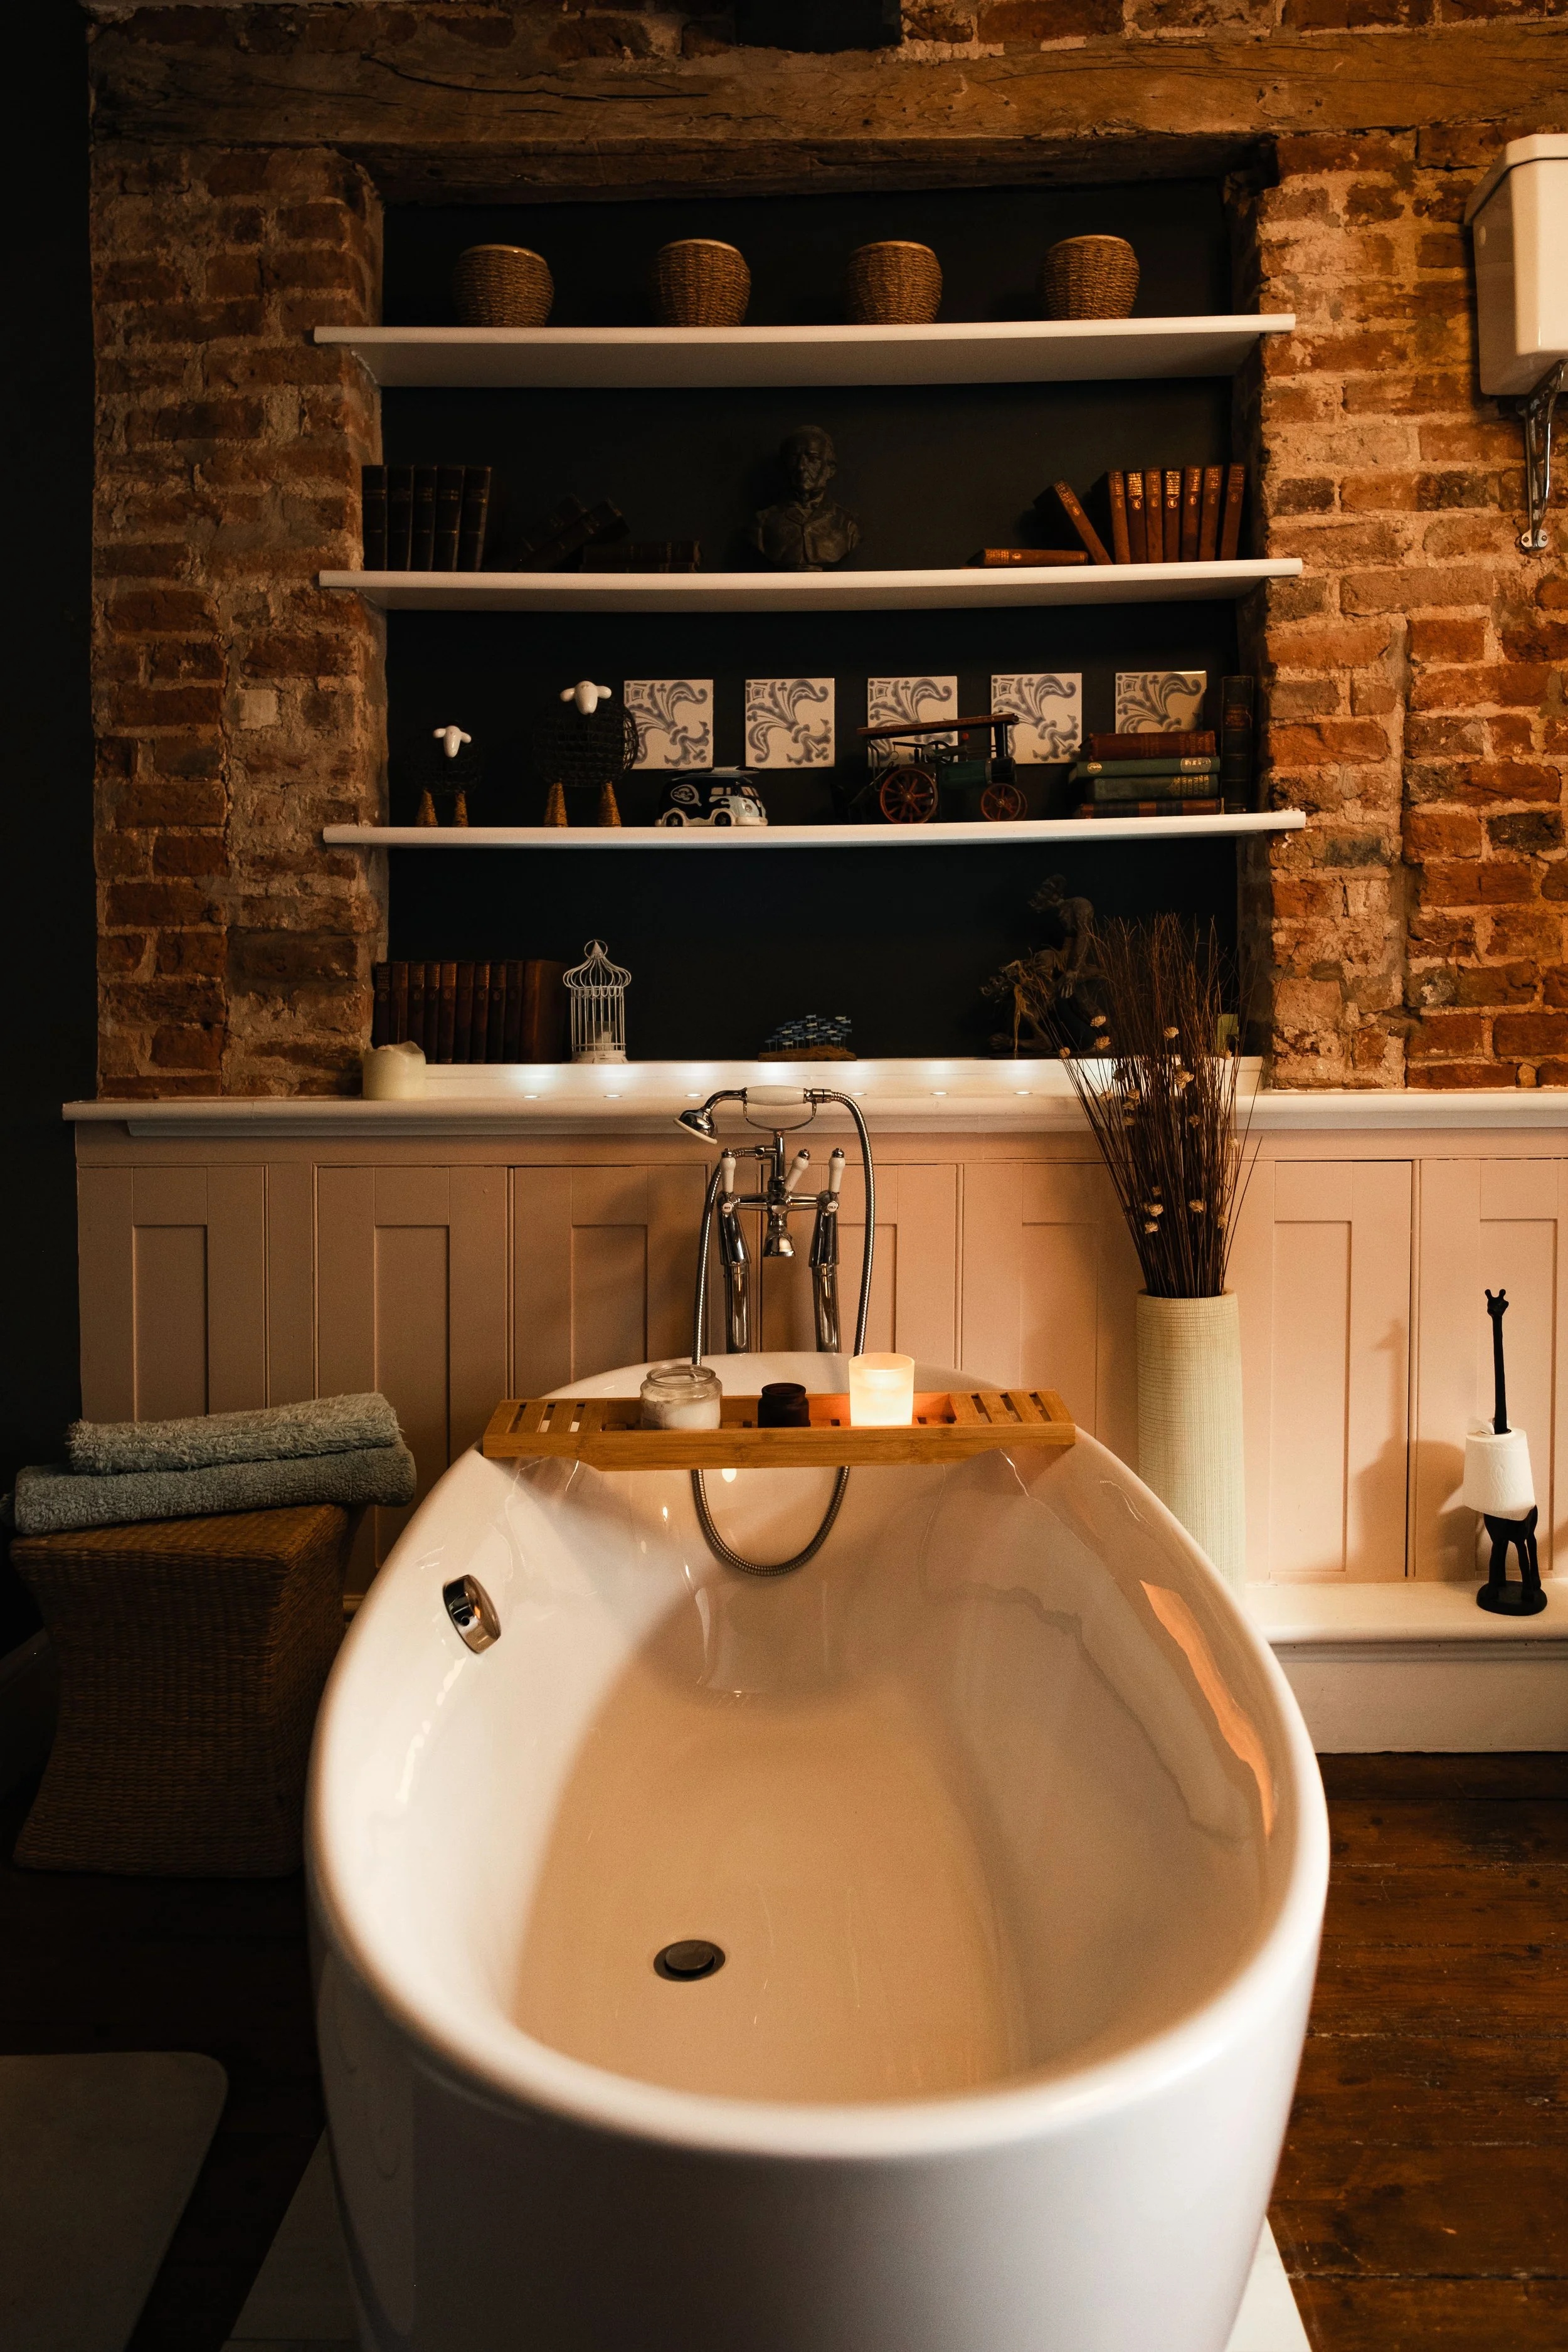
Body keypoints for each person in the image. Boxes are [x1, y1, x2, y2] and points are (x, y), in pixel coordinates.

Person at [749, 426, 861, 571]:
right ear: (783, 467)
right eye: (794, 458)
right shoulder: (762, 523)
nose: (801, 467)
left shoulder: (848, 524)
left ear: (830, 469)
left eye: (812, 459)